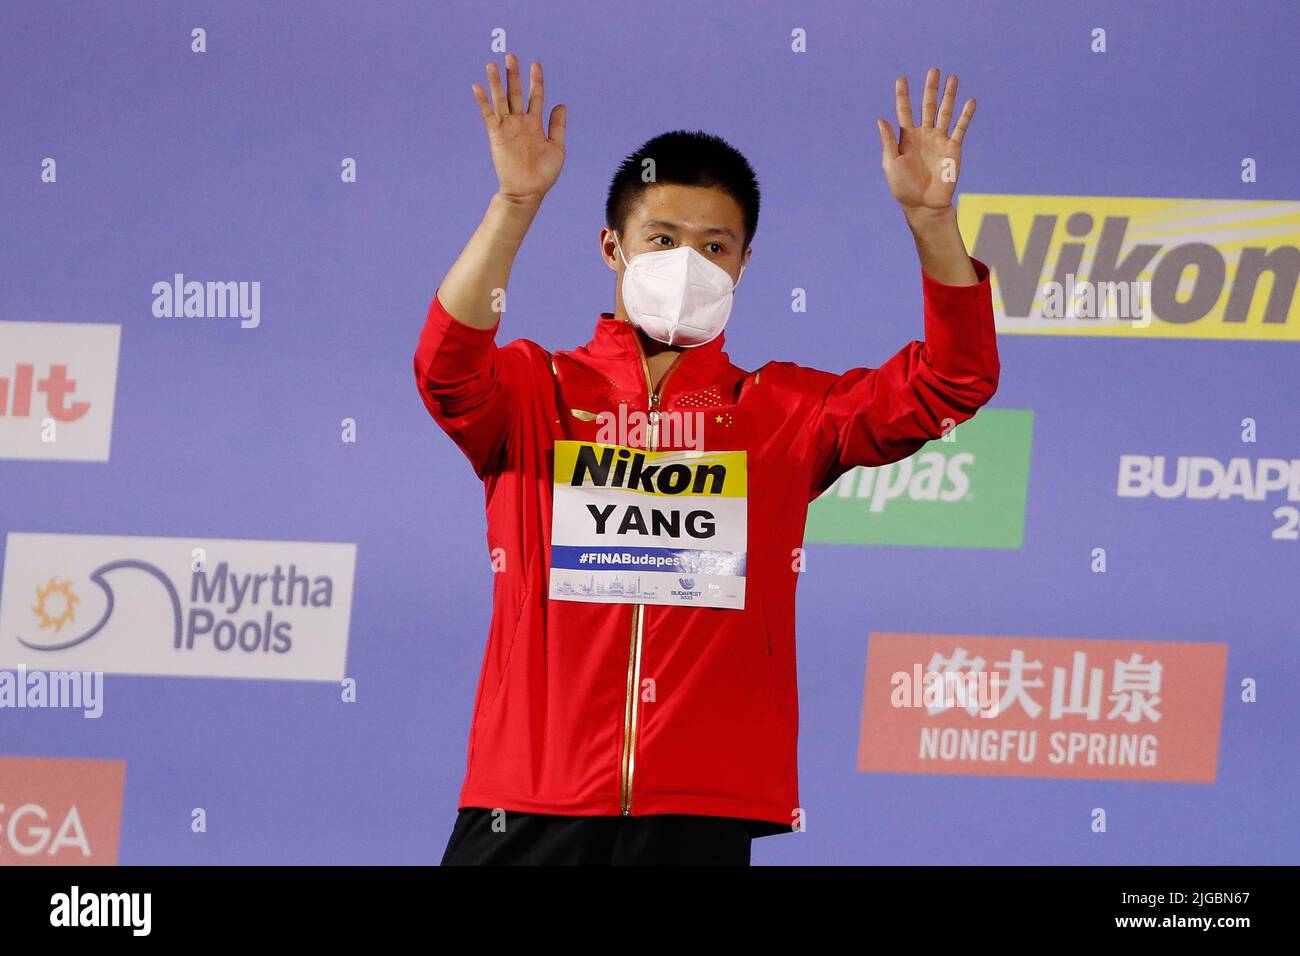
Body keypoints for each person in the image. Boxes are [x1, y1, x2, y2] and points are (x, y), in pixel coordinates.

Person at [417, 53, 1000, 865]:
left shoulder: (783, 411)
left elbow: (952, 381)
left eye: (715, 246)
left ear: (743, 265)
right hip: (527, 800)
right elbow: (446, 369)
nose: (687, 262)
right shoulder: (532, 389)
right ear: (612, 248)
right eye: (661, 238)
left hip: (695, 811)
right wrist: (515, 205)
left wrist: (933, 224)